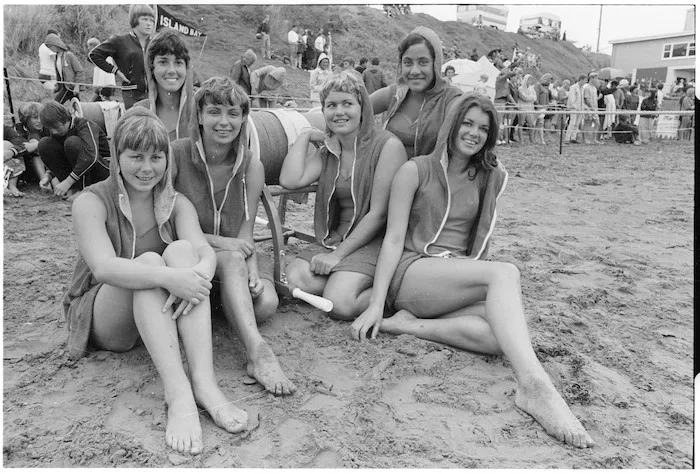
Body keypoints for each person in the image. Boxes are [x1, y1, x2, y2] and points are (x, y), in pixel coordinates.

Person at [351, 92, 595, 450]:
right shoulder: (414, 169)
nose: (474, 133)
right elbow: (391, 240)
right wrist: (375, 303)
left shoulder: (486, 175)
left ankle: (405, 325)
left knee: (501, 336)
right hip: (412, 271)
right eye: (467, 123)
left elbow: (476, 241)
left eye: (483, 128)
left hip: (452, 276)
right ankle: (534, 385)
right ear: (451, 124)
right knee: (505, 274)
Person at [65, 107, 248, 455]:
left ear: (167, 159)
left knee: (182, 252)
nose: (147, 168)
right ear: (117, 156)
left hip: (155, 316)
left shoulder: (175, 202)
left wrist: (197, 275)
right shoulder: (91, 201)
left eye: (156, 157)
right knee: (149, 263)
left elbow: (203, 250)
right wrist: (172, 278)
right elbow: (104, 268)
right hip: (107, 317)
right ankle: (178, 393)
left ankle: (205, 383)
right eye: (135, 156)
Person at [171, 76, 294, 395]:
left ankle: (228, 304)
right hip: (190, 257)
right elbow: (168, 229)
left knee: (266, 302)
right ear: (198, 115)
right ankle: (257, 350)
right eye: (214, 112)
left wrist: (252, 267)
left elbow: (246, 231)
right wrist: (226, 246)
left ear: (243, 118)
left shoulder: (251, 166)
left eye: (233, 113)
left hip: (233, 263)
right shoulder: (177, 155)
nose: (224, 122)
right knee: (229, 260)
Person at [279, 72, 407, 320]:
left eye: (347, 104)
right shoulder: (330, 149)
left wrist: (337, 256)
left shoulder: (387, 146)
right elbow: (290, 180)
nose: (339, 112)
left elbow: (379, 214)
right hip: (337, 238)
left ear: (363, 108)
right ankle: (344, 279)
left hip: (375, 241)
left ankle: (397, 295)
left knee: (340, 303)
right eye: (331, 105)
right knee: (295, 279)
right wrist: (305, 136)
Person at [370, 27, 462, 159]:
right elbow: (356, 109)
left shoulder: (450, 99)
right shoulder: (396, 93)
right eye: (408, 63)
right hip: (388, 177)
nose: (414, 71)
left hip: (431, 178)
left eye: (423, 62)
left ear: (435, 64)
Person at [37, 100, 110, 199]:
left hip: (103, 172)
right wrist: (48, 175)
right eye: (50, 129)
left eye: (56, 127)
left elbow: (91, 157)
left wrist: (67, 182)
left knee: (72, 143)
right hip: (80, 173)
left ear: (64, 119)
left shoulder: (85, 125)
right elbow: (59, 156)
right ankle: (73, 188)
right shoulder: (58, 132)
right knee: (44, 144)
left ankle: (83, 190)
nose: (53, 132)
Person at [132, 29, 194, 142]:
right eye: (163, 62)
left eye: (178, 62)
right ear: (151, 67)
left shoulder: (201, 109)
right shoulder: (138, 113)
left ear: (187, 68)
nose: (171, 70)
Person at [89, 4, 155, 109]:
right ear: (135, 20)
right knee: (136, 123)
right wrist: (116, 71)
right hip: (132, 93)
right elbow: (94, 55)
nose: (149, 23)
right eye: (145, 19)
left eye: (152, 20)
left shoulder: (155, 43)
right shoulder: (120, 41)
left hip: (154, 93)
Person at [13, 102, 51, 189]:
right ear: (26, 119)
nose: (39, 120)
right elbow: (24, 147)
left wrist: (38, 144)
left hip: (47, 163)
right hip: (26, 164)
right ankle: (45, 184)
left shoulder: (47, 128)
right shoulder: (18, 129)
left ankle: (50, 182)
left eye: (41, 117)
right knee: (34, 147)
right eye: (35, 118)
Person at [44, 33, 84, 104]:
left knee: (55, 104)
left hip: (70, 87)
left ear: (56, 44)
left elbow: (79, 71)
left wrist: (77, 86)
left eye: (50, 46)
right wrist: (58, 86)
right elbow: (60, 74)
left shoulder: (69, 55)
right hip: (65, 87)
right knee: (77, 106)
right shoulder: (56, 57)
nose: (50, 49)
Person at [4, 125, 27, 197]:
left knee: (7, 145)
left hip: (6, 163)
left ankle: (12, 186)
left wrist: (11, 152)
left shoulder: (6, 130)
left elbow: (21, 145)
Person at [565, 75, 586, 144]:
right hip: (574, 108)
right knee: (572, 123)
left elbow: (582, 99)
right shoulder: (573, 87)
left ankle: (573, 137)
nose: (585, 82)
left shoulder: (582, 88)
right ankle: (567, 138)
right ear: (581, 79)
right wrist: (574, 106)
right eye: (585, 80)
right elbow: (572, 98)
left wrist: (582, 107)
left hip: (580, 108)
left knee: (577, 124)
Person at [517, 74, 538, 144]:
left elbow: (535, 98)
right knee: (521, 124)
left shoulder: (531, 89)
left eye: (531, 79)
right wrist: (530, 97)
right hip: (522, 108)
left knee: (532, 124)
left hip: (529, 109)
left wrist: (530, 97)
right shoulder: (520, 89)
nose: (530, 81)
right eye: (529, 79)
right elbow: (524, 98)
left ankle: (531, 139)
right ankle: (521, 140)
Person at [582, 73, 602, 145]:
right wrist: (591, 107)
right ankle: (585, 139)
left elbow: (594, 98)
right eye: (596, 78)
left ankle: (594, 139)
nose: (597, 80)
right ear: (592, 78)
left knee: (597, 123)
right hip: (588, 108)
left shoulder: (594, 88)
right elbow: (586, 99)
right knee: (587, 123)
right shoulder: (586, 87)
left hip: (594, 108)